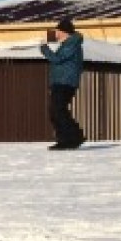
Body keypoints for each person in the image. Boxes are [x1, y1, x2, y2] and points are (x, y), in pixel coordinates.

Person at [40, 17, 85, 150]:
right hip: (61, 81)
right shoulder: (68, 44)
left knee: (58, 110)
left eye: (58, 31)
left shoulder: (72, 43)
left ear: (65, 32)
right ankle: (66, 139)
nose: (56, 34)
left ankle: (73, 137)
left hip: (65, 82)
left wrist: (44, 48)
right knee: (56, 111)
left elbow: (57, 59)